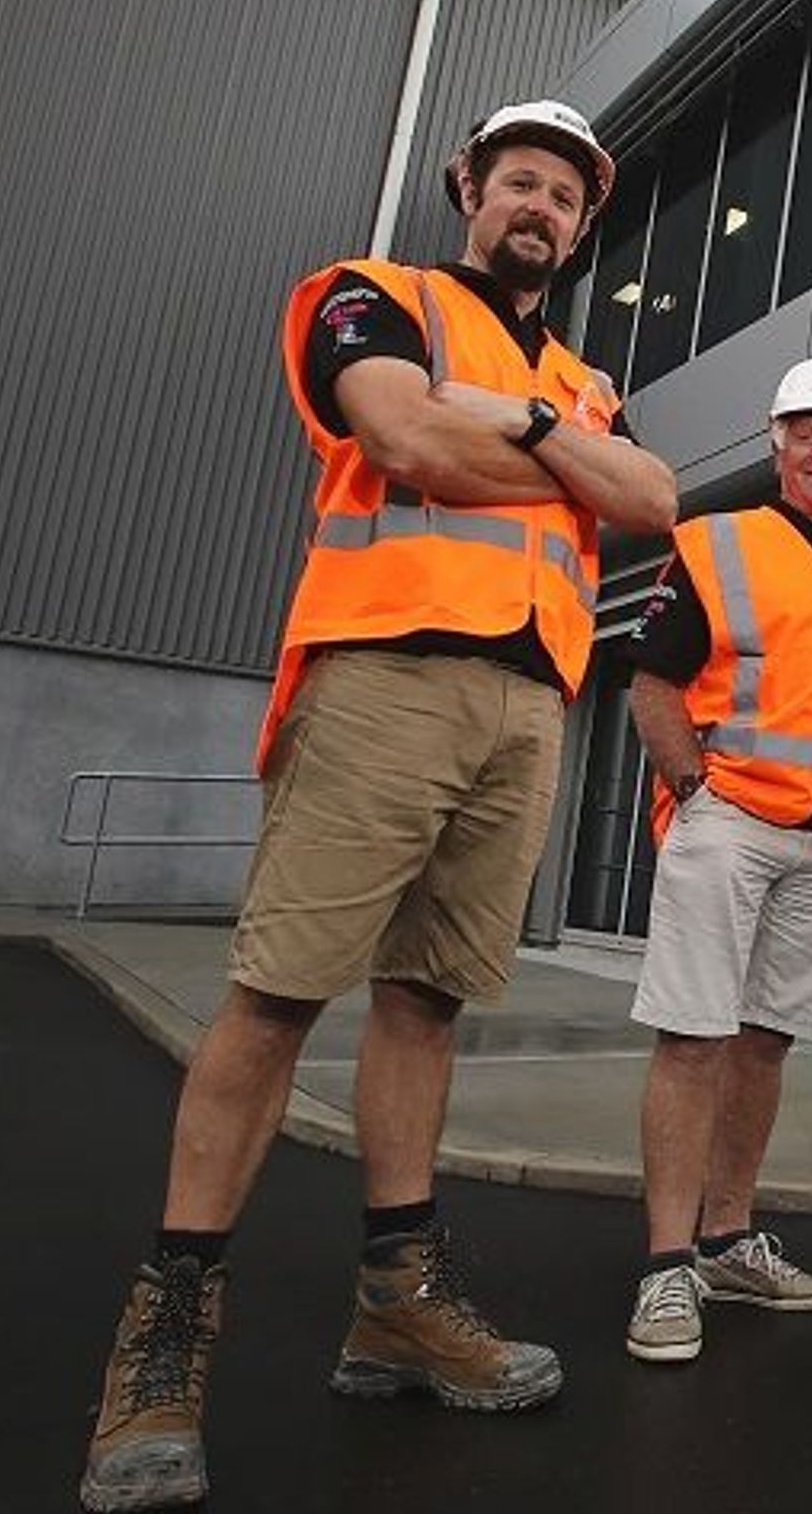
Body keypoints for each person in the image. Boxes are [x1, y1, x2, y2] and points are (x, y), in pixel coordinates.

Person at [78, 100, 678, 1512]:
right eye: (520, 181)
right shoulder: (373, 299)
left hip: (530, 705)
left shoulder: (580, 378)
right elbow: (406, 442)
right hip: (387, 677)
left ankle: (397, 1302)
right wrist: (558, 466)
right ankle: (160, 1349)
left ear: (583, 228)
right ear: (470, 187)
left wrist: (525, 419)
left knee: (427, 1001)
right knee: (278, 995)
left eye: (565, 197)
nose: (540, 208)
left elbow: (652, 497)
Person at [617, 356, 812, 1364]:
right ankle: (665, 1266)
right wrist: (697, 788)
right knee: (692, 1037)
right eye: (807, 431)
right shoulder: (715, 544)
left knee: (766, 1038)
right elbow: (651, 683)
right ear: (778, 443)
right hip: (731, 822)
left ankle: (727, 1238)